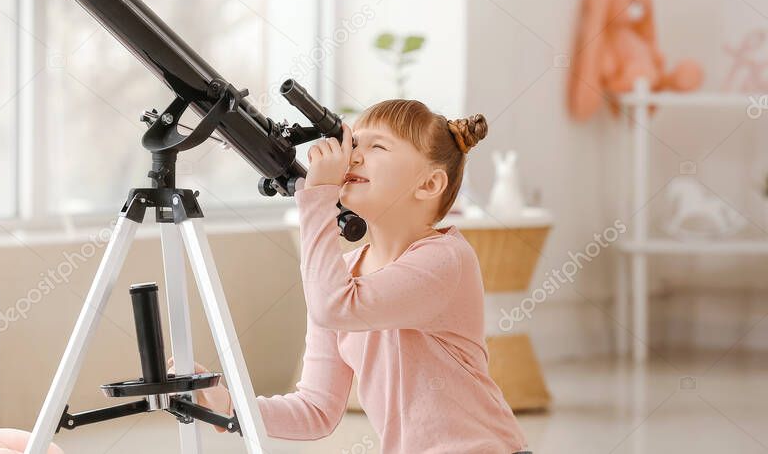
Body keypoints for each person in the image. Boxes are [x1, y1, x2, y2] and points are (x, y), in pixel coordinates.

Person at [172, 99, 531, 453]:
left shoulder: (445, 260)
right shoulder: (343, 276)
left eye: (377, 146)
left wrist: (317, 199)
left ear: (429, 185)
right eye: (354, 144)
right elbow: (316, 409)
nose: (354, 156)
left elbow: (335, 306)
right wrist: (229, 406)